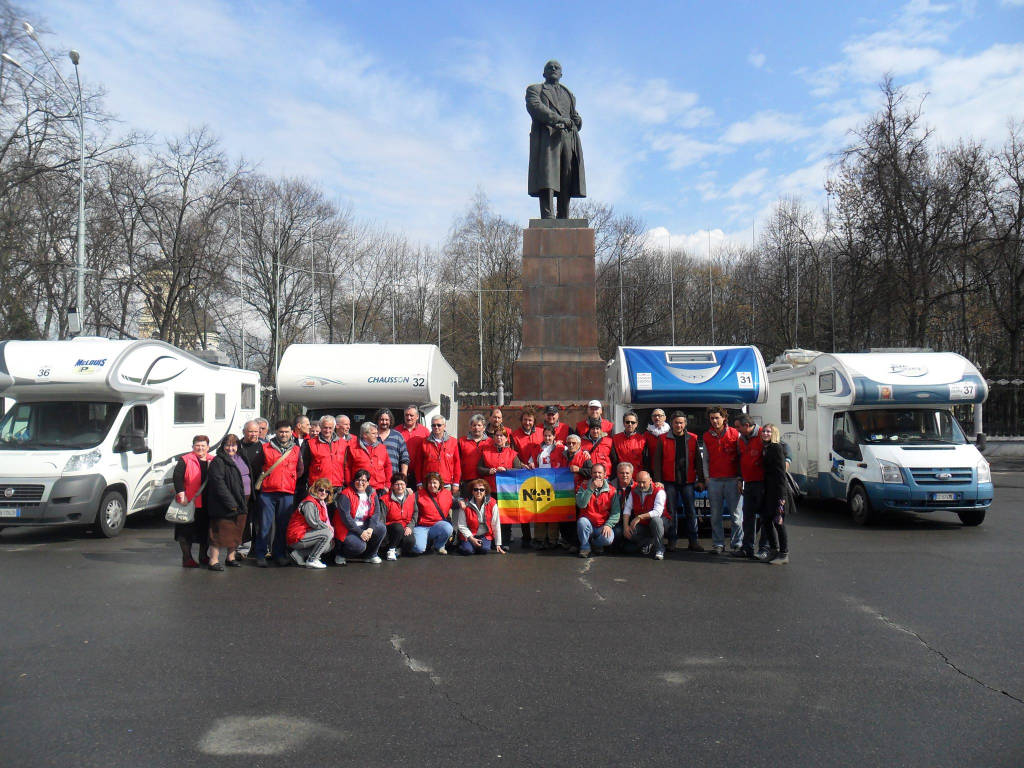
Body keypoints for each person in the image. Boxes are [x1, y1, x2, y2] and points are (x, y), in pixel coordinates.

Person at [526, 59, 586, 220]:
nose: (553, 68)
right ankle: (547, 215)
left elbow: (574, 115)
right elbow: (536, 108)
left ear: (561, 73)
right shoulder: (535, 90)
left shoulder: (569, 94)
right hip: (548, 138)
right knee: (548, 176)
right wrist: (558, 119)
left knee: (567, 175)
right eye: (549, 67)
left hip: (568, 138)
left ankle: (563, 215)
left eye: (557, 67)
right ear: (544, 73)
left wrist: (577, 120)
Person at [252, 420, 304, 567]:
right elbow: (256, 467)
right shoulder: (265, 448)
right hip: (268, 492)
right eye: (281, 432)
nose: (284, 434)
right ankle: (261, 555)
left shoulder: (296, 449)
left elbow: (300, 469)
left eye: (287, 432)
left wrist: (290, 479)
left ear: (291, 432)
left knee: (283, 526)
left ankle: (279, 555)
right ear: (276, 432)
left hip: (287, 493)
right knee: (265, 526)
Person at [660, 412, 705, 552]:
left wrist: (701, 480)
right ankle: (672, 541)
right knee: (671, 512)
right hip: (669, 481)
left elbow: (698, 461)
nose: (678, 425)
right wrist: (658, 481)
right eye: (676, 423)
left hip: (688, 481)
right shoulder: (663, 438)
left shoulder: (693, 438)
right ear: (671, 424)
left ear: (685, 424)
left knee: (691, 512)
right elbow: (657, 461)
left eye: (681, 423)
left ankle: (694, 541)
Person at [205, 434, 250, 570]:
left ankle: (230, 558)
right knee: (219, 532)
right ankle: (213, 561)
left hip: (243, 499)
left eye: (234, 445)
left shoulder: (241, 457)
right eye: (228, 445)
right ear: (223, 446)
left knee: (237, 530)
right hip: (225, 502)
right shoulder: (218, 461)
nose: (231, 448)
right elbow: (219, 484)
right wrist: (231, 503)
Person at [704, 407, 742, 555]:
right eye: (712, 418)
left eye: (717, 418)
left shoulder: (735, 434)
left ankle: (737, 544)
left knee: (736, 516)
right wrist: (707, 477)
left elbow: (741, 457)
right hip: (714, 481)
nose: (714, 421)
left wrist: (740, 478)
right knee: (715, 516)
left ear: (724, 418)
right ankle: (718, 544)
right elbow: (705, 459)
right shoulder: (707, 436)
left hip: (733, 480)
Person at [479, 429, 525, 546]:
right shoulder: (486, 452)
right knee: (490, 516)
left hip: (506, 491)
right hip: (490, 490)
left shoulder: (512, 454)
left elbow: (519, 469)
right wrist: (489, 470)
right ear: (494, 438)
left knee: (505, 517)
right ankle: (492, 540)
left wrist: (506, 470)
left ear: (506, 439)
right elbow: (479, 468)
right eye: (497, 436)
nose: (499, 438)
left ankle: (504, 541)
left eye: (502, 436)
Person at [173, 435, 213, 568]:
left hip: (207, 502)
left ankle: (203, 556)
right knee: (185, 532)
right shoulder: (185, 459)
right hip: (188, 502)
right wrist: (181, 495)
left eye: (203, 445)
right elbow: (177, 478)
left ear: (208, 447)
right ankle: (187, 558)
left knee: (205, 532)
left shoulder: (213, 460)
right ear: (193, 446)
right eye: (197, 445)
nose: (200, 448)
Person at [524, 424, 567, 548]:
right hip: (540, 485)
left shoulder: (561, 448)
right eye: (546, 435)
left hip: (555, 484)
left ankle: (553, 539)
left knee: (553, 512)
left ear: (554, 436)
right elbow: (531, 461)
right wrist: (531, 465)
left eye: (550, 436)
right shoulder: (537, 448)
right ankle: (539, 538)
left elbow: (572, 453)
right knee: (540, 512)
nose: (547, 438)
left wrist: (585, 453)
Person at [332, 469, 386, 565]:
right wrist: (360, 532)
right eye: (358, 480)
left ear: (368, 483)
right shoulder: (346, 494)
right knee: (359, 547)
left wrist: (370, 528)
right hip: (346, 527)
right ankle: (341, 554)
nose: (360, 483)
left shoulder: (373, 493)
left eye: (363, 481)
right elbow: (346, 518)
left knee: (381, 528)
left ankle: (371, 555)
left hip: (364, 524)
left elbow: (376, 513)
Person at [756, 423, 791, 564]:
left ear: (774, 433)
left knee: (779, 523)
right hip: (768, 491)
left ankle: (784, 554)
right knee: (766, 520)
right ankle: (774, 550)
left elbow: (781, 473)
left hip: (777, 492)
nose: (765, 433)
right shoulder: (766, 448)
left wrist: (781, 497)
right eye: (764, 431)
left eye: (768, 432)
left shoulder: (776, 448)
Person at [733, 415, 766, 560]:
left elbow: (784, 448)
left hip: (763, 483)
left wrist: (787, 461)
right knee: (748, 517)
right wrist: (740, 479)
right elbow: (741, 461)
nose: (736, 430)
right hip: (749, 483)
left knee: (765, 518)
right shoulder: (741, 440)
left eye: (738, 427)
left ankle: (764, 549)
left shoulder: (763, 434)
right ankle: (747, 548)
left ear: (747, 425)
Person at [285, 478, 334, 569]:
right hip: (296, 536)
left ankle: (298, 555)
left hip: (306, 534)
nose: (324, 493)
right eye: (321, 490)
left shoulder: (321, 503)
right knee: (327, 534)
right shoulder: (309, 503)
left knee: (330, 544)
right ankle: (312, 560)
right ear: (315, 489)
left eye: (327, 491)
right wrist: (328, 529)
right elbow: (313, 523)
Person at [622, 471, 670, 561]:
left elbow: (658, 512)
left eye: (644, 482)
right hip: (643, 524)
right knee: (629, 534)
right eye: (639, 482)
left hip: (661, 523)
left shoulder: (659, 491)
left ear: (650, 480)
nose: (641, 485)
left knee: (656, 520)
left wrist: (639, 517)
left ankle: (659, 549)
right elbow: (627, 509)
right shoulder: (634, 491)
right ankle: (648, 542)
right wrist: (625, 527)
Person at [302, 415, 347, 503]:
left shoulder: (343, 443)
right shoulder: (310, 444)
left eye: (330, 428)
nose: (327, 430)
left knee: (335, 515)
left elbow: (346, 465)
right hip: (319, 488)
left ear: (334, 428)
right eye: (325, 428)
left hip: (336, 487)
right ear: (320, 427)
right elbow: (304, 466)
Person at [574, 464, 617, 558]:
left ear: (605, 474)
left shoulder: (612, 490)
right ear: (591, 474)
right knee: (582, 522)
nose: (597, 475)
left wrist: (609, 525)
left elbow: (615, 513)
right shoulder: (584, 486)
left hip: (602, 525)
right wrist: (591, 489)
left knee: (609, 539)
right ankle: (585, 547)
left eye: (600, 473)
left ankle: (595, 544)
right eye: (594, 472)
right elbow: (581, 504)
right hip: (588, 524)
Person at [456, 479, 506, 555]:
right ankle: (464, 544)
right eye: (475, 489)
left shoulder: (492, 503)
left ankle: (474, 546)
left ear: (485, 492)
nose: (478, 492)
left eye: (481, 490)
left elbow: (496, 524)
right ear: (472, 491)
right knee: (468, 551)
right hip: (470, 535)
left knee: (484, 550)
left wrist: (498, 544)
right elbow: (462, 525)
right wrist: (472, 539)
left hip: (484, 535)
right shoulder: (465, 504)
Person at [412, 472, 456, 555]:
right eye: (430, 483)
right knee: (418, 549)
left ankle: (439, 546)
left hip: (437, 526)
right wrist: (407, 492)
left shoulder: (447, 494)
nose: (432, 485)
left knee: (448, 528)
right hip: (422, 526)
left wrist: (461, 502)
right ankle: (426, 541)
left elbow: (455, 504)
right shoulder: (418, 494)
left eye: (435, 483)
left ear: (440, 483)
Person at [237, 420, 264, 556]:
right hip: (242, 491)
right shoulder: (237, 447)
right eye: (250, 431)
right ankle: (241, 549)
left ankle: (256, 548)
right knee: (243, 520)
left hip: (260, 490)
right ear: (244, 432)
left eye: (256, 431)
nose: (254, 434)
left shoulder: (264, 446)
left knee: (259, 521)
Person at [416, 415, 461, 494]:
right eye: (433, 425)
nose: (436, 427)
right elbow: (418, 464)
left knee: (445, 506)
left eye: (439, 425)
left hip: (446, 484)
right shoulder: (424, 442)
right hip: (429, 484)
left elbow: (457, 464)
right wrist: (419, 482)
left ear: (444, 426)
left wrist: (456, 483)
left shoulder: (453, 442)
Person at [346, 421, 393, 493]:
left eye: (377, 433)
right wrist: (350, 485)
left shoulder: (382, 448)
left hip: (379, 489)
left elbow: (388, 467)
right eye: (374, 433)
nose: (377, 436)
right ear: (365, 435)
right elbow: (347, 468)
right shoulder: (353, 448)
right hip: (360, 489)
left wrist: (387, 485)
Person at [381, 473, 416, 560]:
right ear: (392, 486)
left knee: (410, 541)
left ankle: (398, 550)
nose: (400, 487)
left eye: (402, 484)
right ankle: (391, 549)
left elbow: (416, 513)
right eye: (397, 484)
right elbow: (381, 519)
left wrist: (410, 527)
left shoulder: (411, 497)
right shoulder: (385, 499)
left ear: (406, 485)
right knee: (398, 527)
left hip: (405, 526)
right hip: (390, 528)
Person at [458, 414, 491, 500]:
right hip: (467, 480)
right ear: (470, 427)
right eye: (474, 425)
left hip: (485, 480)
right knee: (467, 508)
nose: (476, 428)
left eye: (479, 425)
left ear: (484, 428)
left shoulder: (490, 442)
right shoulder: (462, 441)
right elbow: (457, 461)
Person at [396, 405, 428, 485]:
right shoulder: (396, 431)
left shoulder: (425, 431)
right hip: (400, 471)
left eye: (411, 415)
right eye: (406, 415)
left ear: (417, 416)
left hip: (419, 473)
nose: (409, 417)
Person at [376, 408, 410, 479]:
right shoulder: (372, 435)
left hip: (393, 478)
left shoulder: (397, 436)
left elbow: (404, 458)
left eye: (387, 420)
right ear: (377, 420)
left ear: (390, 421)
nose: (384, 422)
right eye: (382, 420)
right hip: (376, 479)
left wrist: (403, 478)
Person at [642, 409, 669, 475]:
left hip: (668, 468)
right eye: (654, 416)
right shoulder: (646, 434)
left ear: (665, 418)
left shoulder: (671, 433)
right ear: (652, 418)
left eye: (659, 415)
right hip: (652, 469)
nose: (657, 418)